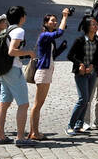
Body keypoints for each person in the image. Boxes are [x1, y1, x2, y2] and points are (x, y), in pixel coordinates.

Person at [0, 5, 35, 144]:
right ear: (22, 17)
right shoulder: (18, 31)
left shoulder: (7, 30)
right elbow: (12, 51)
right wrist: (28, 53)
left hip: (3, 70)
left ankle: (1, 136)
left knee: (4, 103)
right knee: (23, 104)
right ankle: (21, 138)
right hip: (13, 69)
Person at [28, 8, 70, 141]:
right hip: (43, 72)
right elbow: (60, 33)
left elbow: (52, 55)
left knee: (39, 104)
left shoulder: (48, 37)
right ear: (45, 23)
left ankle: (34, 131)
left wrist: (62, 48)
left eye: (55, 20)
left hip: (47, 72)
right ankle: (34, 133)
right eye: (52, 20)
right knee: (37, 104)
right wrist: (65, 16)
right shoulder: (45, 35)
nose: (55, 22)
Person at [66, 14, 98, 134]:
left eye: (96, 24)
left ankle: (79, 125)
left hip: (92, 73)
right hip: (81, 73)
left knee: (87, 99)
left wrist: (92, 65)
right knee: (82, 99)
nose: (96, 26)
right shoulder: (80, 40)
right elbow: (70, 55)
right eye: (94, 24)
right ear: (88, 27)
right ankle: (70, 125)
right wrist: (80, 64)